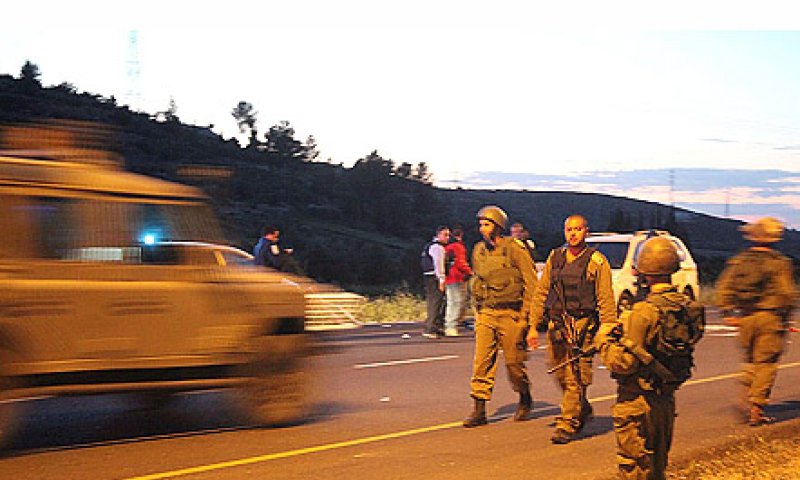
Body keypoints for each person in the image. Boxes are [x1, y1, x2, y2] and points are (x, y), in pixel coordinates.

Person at [595, 236, 704, 480]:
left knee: (634, 468)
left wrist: (603, 341)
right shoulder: (689, 308)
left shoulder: (644, 312)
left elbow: (624, 363)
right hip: (666, 398)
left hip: (637, 401)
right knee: (657, 467)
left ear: (645, 271)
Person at [526, 214, 616, 444]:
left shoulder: (597, 261)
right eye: (569, 229)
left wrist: (606, 330)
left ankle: (569, 422)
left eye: (577, 229)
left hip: (583, 327)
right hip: (558, 325)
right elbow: (541, 292)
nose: (573, 233)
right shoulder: (555, 258)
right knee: (559, 372)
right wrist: (533, 326)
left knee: (576, 376)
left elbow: (605, 299)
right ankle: (581, 408)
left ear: (586, 231)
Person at [715, 217, 796, 426]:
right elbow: (787, 294)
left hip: (746, 318)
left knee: (750, 360)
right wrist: (786, 318)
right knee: (766, 364)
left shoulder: (740, 261)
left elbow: (724, 288)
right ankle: (756, 406)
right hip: (770, 319)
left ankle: (746, 394)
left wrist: (728, 314)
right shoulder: (780, 263)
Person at [463, 205, 538, 427]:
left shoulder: (515, 249)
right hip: (487, 312)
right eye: (480, 225)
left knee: (515, 364)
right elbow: (477, 279)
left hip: (511, 314)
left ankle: (524, 396)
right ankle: (479, 408)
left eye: (486, 225)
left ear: (498, 226)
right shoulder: (479, 250)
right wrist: (477, 310)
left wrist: (527, 318)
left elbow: (531, 283)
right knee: (482, 362)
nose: (482, 229)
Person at [421, 226, 450, 339]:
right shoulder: (437, 248)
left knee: (435, 302)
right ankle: (430, 328)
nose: (447, 238)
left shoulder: (429, 246)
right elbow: (439, 264)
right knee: (436, 302)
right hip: (434, 277)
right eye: (445, 235)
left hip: (429, 276)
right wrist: (441, 280)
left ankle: (435, 326)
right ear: (438, 235)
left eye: (448, 235)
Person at [444, 225, 473, 337]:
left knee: (451, 302)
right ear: (460, 235)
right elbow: (460, 263)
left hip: (449, 277)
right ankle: (451, 326)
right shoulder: (458, 247)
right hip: (457, 277)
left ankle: (450, 324)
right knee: (458, 302)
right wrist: (470, 272)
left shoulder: (447, 247)